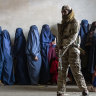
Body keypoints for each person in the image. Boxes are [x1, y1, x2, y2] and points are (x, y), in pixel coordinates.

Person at [57, 5, 89, 96]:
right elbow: (60, 37)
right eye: (62, 12)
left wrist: (63, 45)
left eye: (65, 12)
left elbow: (73, 37)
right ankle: (60, 91)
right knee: (61, 71)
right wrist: (59, 46)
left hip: (72, 49)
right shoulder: (63, 23)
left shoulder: (75, 22)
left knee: (76, 70)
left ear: (69, 12)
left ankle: (84, 89)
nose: (63, 13)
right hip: (63, 50)